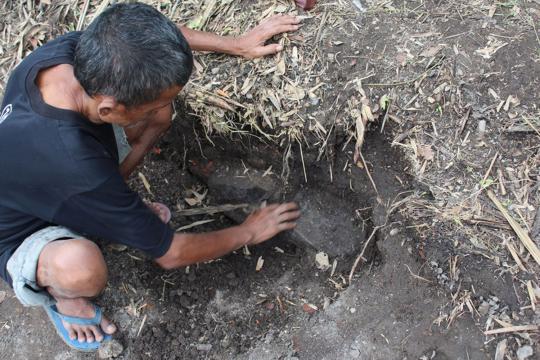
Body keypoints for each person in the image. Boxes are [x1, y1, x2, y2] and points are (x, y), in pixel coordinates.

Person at [0, 2, 301, 351]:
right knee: (83, 267)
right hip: (16, 235)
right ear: (109, 108)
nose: (162, 107)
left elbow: (153, 46)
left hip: (48, 178)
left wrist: (238, 43)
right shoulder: (75, 164)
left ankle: (113, 213)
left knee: (157, 121)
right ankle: (60, 294)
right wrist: (248, 231)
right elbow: (170, 253)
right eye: (154, 101)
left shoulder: (74, 55)